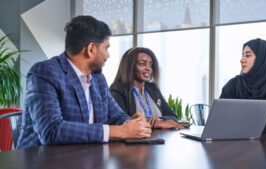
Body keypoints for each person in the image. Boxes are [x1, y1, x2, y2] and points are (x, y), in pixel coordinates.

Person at [17, 16, 151, 149]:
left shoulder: (98, 78)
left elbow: (116, 115)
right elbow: (51, 131)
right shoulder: (44, 72)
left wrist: (133, 124)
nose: (108, 55)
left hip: (85, 157)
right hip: (40, 160)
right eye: (106, 48)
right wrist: (121, 131)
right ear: (91, 49)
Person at [220, 38, 266, 134]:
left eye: (248, 55)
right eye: (242, 55)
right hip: (232, 144)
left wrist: (238, 120)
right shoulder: (234, 84)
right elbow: (219, 117)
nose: (242, 60)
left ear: (262, 58)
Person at [110, 47, 183, 129]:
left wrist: (159, 120)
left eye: (150, 64)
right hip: (138, 140)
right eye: (142, 64)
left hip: (159, 140)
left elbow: (173, 116)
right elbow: (121, 123)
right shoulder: (118, 90)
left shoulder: (153, 88)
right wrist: (154, 125)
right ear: (130, 66)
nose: (148, 68)